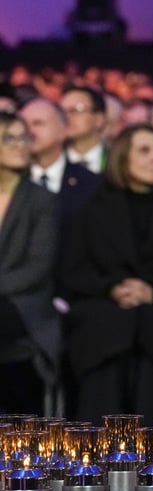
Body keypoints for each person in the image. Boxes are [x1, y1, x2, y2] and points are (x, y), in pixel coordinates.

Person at [59, 124, 153, 422]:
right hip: (104, 308)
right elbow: (74, 272)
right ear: (122, 157)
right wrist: (113, 288)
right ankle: (99, 454)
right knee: (108, 338)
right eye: (144, 150)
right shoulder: (91, 209)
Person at [0, 113, 59, 414]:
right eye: (9, 137)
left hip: (24, 309)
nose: (20, 144)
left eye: (24, 137)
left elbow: (37, 267)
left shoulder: (42, 200)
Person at [61, 85, 108, 173]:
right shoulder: (53, 160)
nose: (67, 117)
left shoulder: (116, 162)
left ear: (99, 119)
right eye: (62, 111)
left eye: (76, 110)